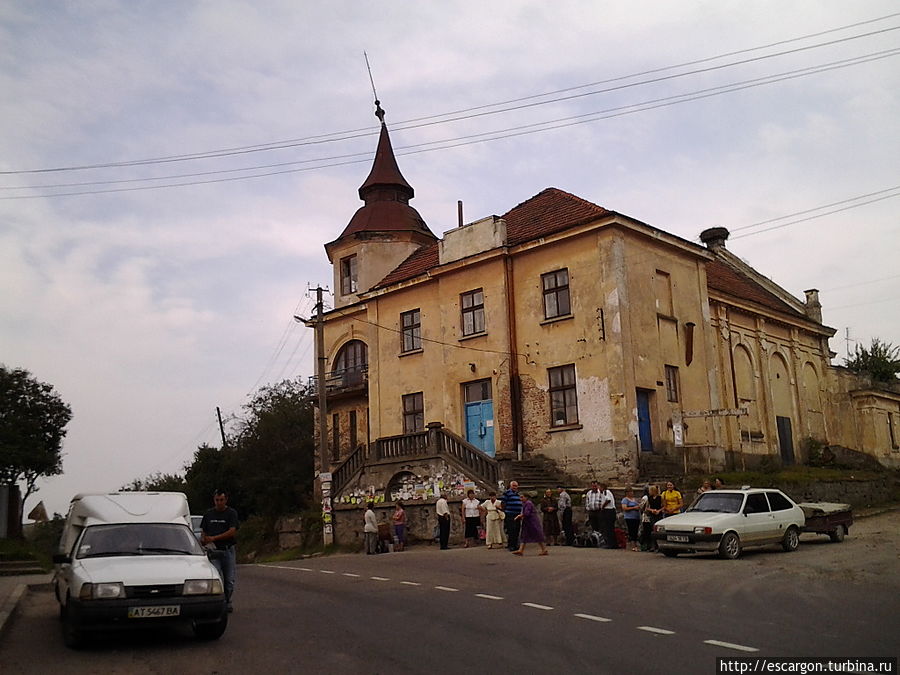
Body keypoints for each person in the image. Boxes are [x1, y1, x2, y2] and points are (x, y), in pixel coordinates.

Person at [200, 490, 239, 612]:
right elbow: (203, 531)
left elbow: (232, 531)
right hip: (213, 551)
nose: (219, 502)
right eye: (217, 500)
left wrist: (215, 538)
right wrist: (204, 539)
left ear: (226, 500)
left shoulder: (231, 513)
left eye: (221, 500)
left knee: (229, 580)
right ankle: (218, 602)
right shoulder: (208, 514)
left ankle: (227, 600)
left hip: (227, 549)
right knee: (216, 577)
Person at [499, 481, 523, 552]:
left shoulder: (518, 494)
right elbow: (503, 503)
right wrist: (505, 511)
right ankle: (512, 545)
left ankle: (515, 544)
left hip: (518, 514)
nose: (515, 487)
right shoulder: (507, 493)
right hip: (510, 514)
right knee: (511, 530)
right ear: (510, 486)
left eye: (516, 486)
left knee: (517, 530)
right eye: (514, 486)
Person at [642, 485, 664, 552]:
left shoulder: (660, 498)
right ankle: (654, 546)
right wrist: (652, 510)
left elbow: (664, 506)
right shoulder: (649, 498)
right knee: (653, 530)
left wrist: (658, 511)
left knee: (658, 530)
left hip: (659, 514)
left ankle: (659, 546)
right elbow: (647, 507)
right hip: (652, 515)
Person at [599, 482, 618, 549]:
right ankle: (612, 543)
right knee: (609, 528)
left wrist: (602, 506)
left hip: (609, 511)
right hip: (610, 511)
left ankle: (611, 544)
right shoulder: (604, 493)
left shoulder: (606, 492)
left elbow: (608, 500)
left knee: (609, 528)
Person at [620, 487, 641, 551]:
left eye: (632, 492)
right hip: (629, 517)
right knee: (631, 531)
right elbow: (624, 508)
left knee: (636, 530)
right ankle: (633, 545)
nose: (631, 493)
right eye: (630, 492)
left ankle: (636, 544)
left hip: (636, 517)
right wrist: (634, 508)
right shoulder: (625, 500)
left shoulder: (635, 499)